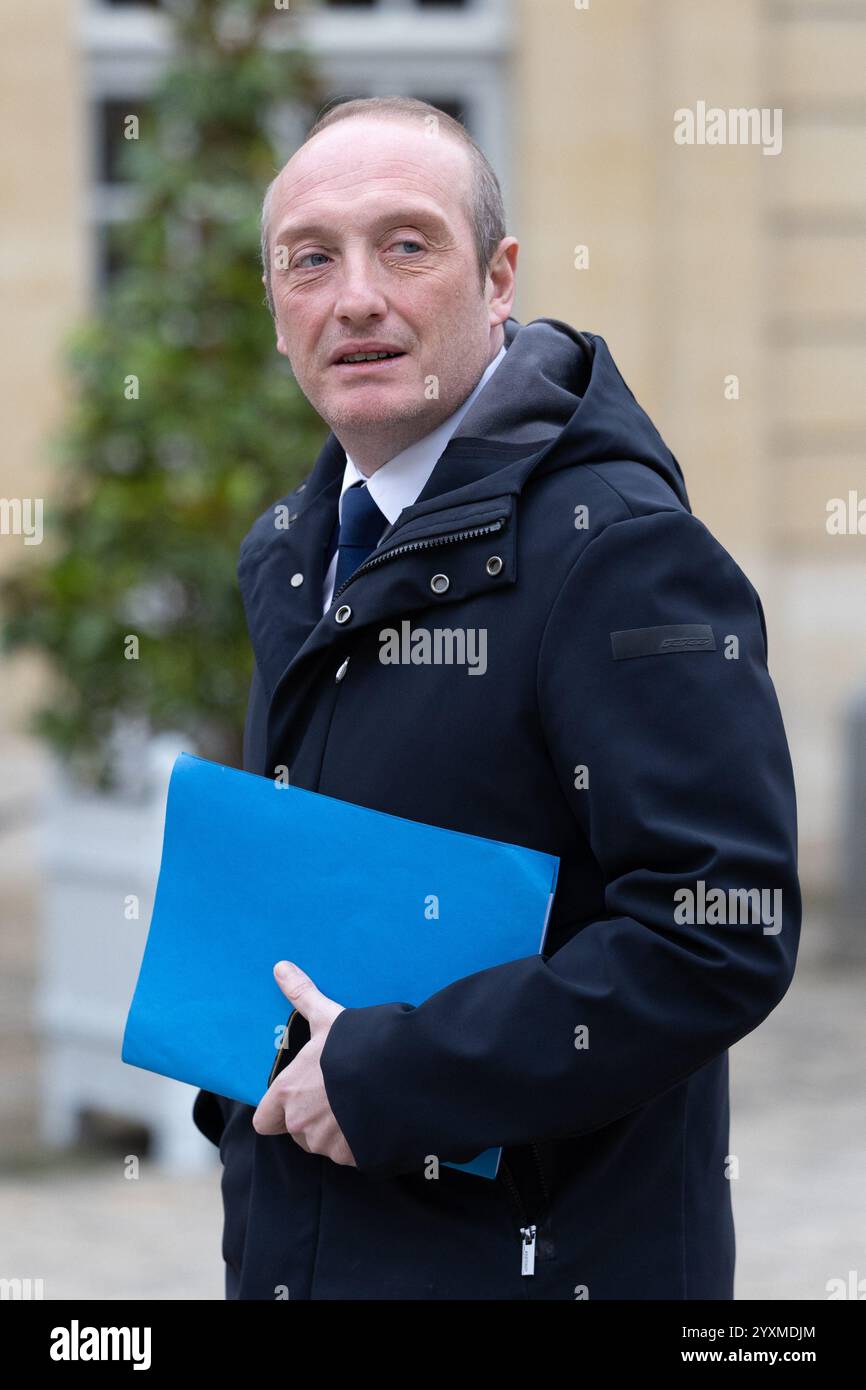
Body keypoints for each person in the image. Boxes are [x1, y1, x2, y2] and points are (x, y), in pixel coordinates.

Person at [192, 95, 801, 1301]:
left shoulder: (621, 554)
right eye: (309, 260)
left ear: (498, 278)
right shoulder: (297, 553)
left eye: (406, 245)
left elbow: (718, 929)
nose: (355, 296)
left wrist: (392, 1076)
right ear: (275, 309)